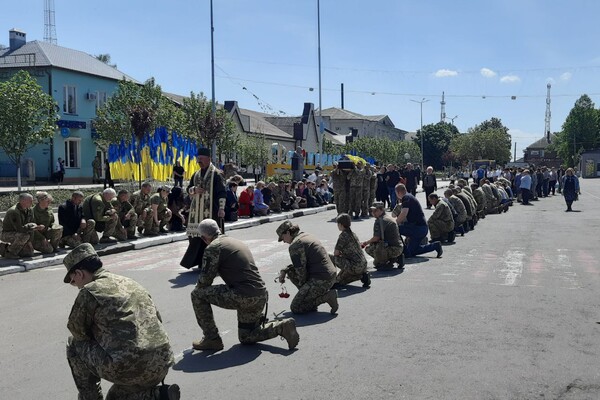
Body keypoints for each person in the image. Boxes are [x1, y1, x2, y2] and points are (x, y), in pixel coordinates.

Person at [63, 243, 180, 400]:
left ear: (79, 273)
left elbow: (78, 331)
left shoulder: (89, 291)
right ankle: (157, 395)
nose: (75, 285)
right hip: (162, 361)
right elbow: (157, 319)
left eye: (72, 281)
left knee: (74, 345)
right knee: (114, 397)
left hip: (128, 368)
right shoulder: (130, 282)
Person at [190, 219, 299, 351]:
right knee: (246, 336)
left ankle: (211, 339)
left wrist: (200, 284)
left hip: (244, 296)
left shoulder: (213, 248)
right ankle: (281, 327)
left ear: (203, 238)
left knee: (197, 295)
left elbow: (205, 281)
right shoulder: (235, 242)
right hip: (260, 295)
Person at [276, 220, 338, 314]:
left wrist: (303, 293)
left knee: (296, 307)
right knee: (290, 271)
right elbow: (303, 262)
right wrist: (284, 270)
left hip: (321, 280)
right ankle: (310, 299)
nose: (283, 241)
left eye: (283, 237)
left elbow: (301, 272)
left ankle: (326, 297)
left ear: (288, 233)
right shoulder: (306, 235)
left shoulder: (295, 245)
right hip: (330, 275)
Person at [180, 147, 226, 269]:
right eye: (198, 158)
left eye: (201, 158)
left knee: (211, 239)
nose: (199, 160)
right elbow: (188, 189)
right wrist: (193, 190)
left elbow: (222, 192)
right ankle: (200, 262)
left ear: (209, 159)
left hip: (212, 211)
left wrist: (221, 208)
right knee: (196, 239)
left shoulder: (217, 174)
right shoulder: (195, 174)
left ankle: (213, 263)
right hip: (196, 212)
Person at [394, 184, 442, 258]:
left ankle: (403, 250)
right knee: (412, 251)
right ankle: (435, 246)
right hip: (421, 228)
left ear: (399, 192)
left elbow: (404, 213)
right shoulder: (409, 196)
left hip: (417, 228)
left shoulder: (406, 198)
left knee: (395, 229)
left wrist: (394, 224)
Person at [330, 213, 369, 287]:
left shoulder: (343, 236)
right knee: (343, 277)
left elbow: (336, 253)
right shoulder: (353, 234)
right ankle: (362, 276)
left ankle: (333, 278)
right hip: (363, 264)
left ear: (341, 225)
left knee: (330, 257)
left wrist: (341, 255)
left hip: (354, 265)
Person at [361, 201, 404, 269]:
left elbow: (376, 238)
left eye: (376, 211)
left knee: (369, 249)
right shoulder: (388, 217)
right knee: (374, 244)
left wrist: (365, 243)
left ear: (382, 210)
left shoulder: (380, 221)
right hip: (399, 247)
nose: (373, 213)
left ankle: (386, 262)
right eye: (372, 211)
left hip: (392, 248)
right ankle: (396, 258)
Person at [0, 193, 40, 259]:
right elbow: (19, 229)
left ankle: (4, 248)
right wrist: (31, 227)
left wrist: (30, 241)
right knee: (24, 236)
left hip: (21, 232)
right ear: (22, 201)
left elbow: (32, 222)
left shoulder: (29, 210)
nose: (32, 202)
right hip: (7, 233)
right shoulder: (13, 211)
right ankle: (10, 253)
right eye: (30, 201)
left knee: (29, 254)